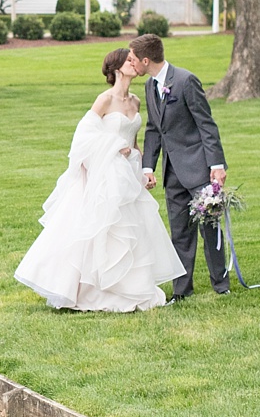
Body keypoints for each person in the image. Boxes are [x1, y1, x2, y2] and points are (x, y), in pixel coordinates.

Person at [14, 47, 185, 311]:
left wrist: (145, 170)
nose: (134, 63)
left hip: (128, 172)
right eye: (129, 60)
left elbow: (135, 142)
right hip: (107, 173)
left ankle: (132, 290)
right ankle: (93, 291)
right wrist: (114, 146)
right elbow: (82, 139)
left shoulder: (136, 101)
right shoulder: (104, 100)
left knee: (132, 229)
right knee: (104, 228)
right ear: (117, 68)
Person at [127, 33, 230, 299]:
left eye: (133, 59)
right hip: (172, 174)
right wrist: (148, 167)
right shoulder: (150, 86)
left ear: (146, 60)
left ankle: (221, 285)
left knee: (210, 230)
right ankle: (181, 291)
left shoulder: (185, 81)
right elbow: (153, 129)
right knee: (180, 234)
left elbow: (206, 125)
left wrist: (216, 165)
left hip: (199, 170)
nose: (131, 64)